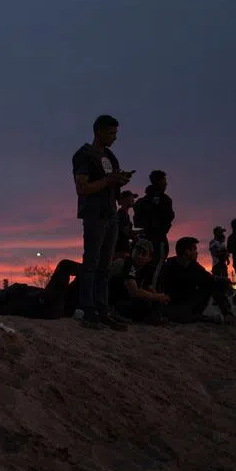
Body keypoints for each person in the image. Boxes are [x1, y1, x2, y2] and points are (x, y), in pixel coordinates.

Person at [72, 115, 131, 331]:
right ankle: (88, 310)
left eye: (115, 134)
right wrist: (109, 180)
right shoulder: (84, 155)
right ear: (99, 132)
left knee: (105, 266)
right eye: (111, 133)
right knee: (92, 262)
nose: (115, 138)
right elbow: (82, 188)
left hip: (110, 214)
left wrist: (119, 181)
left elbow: (111, 188)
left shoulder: (110, 156)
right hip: (94, 214)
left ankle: (102, 309)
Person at [157, 237, 234, 324]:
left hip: (192, 302)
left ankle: (227, 314)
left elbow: (210, 279)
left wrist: (226, 281)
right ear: (187, 251)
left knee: (218, 282)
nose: (196, 252)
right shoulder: (169, 266)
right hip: (174, 304)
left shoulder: (194, 266)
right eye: (194, 249)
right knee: (176, 315)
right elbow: (160, 288)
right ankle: (203, 318)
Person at [0, 260, 83, 320]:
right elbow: (19, 289)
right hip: (49, 306)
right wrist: (40, 298)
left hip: (60, 306)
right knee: (64, 265)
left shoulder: (17, 301)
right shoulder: (15, 301)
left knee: (81, 277)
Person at [110, 240, 169, 324]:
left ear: (149, 258)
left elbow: (149, 288)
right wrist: (158, 297)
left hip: (124, 300)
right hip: (114, 302)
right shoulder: (127, 264)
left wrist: (158, 297)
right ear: (132, 251)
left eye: (143, 253)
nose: (139, 256)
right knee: (144, 304)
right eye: (137, 251)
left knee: (155, 301)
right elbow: (134, 292)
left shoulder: (146, 269)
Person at [136, 170, 175, 289]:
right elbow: (169, 217)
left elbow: (138, 220)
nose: (166, 183)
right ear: (159, 181)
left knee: (144, 266)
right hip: (158, 240)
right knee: (157, 265)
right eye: (164, 180)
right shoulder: (165, 200)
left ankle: (142, 291)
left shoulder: (142, 201)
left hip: (145, 239)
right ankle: (152, 292)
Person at [115, 190, 138, 258]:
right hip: (119, 250)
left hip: (123, 248)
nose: (133, 199)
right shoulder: (121, 215)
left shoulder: (125, 215)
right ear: (123, 200)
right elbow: (127, 232)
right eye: (131, 197)